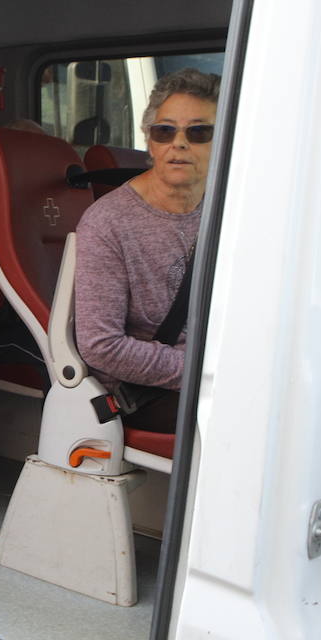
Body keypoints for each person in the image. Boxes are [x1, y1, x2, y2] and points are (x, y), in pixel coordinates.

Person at [73, 68, 220, 433]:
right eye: (165, 131)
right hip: (144, 393)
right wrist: (206, 373)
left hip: (218, 374)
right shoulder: (107, 223)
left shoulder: (228, 208)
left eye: (199, 132)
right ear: (150, 141)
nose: (179, 143)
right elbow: (100, 345)